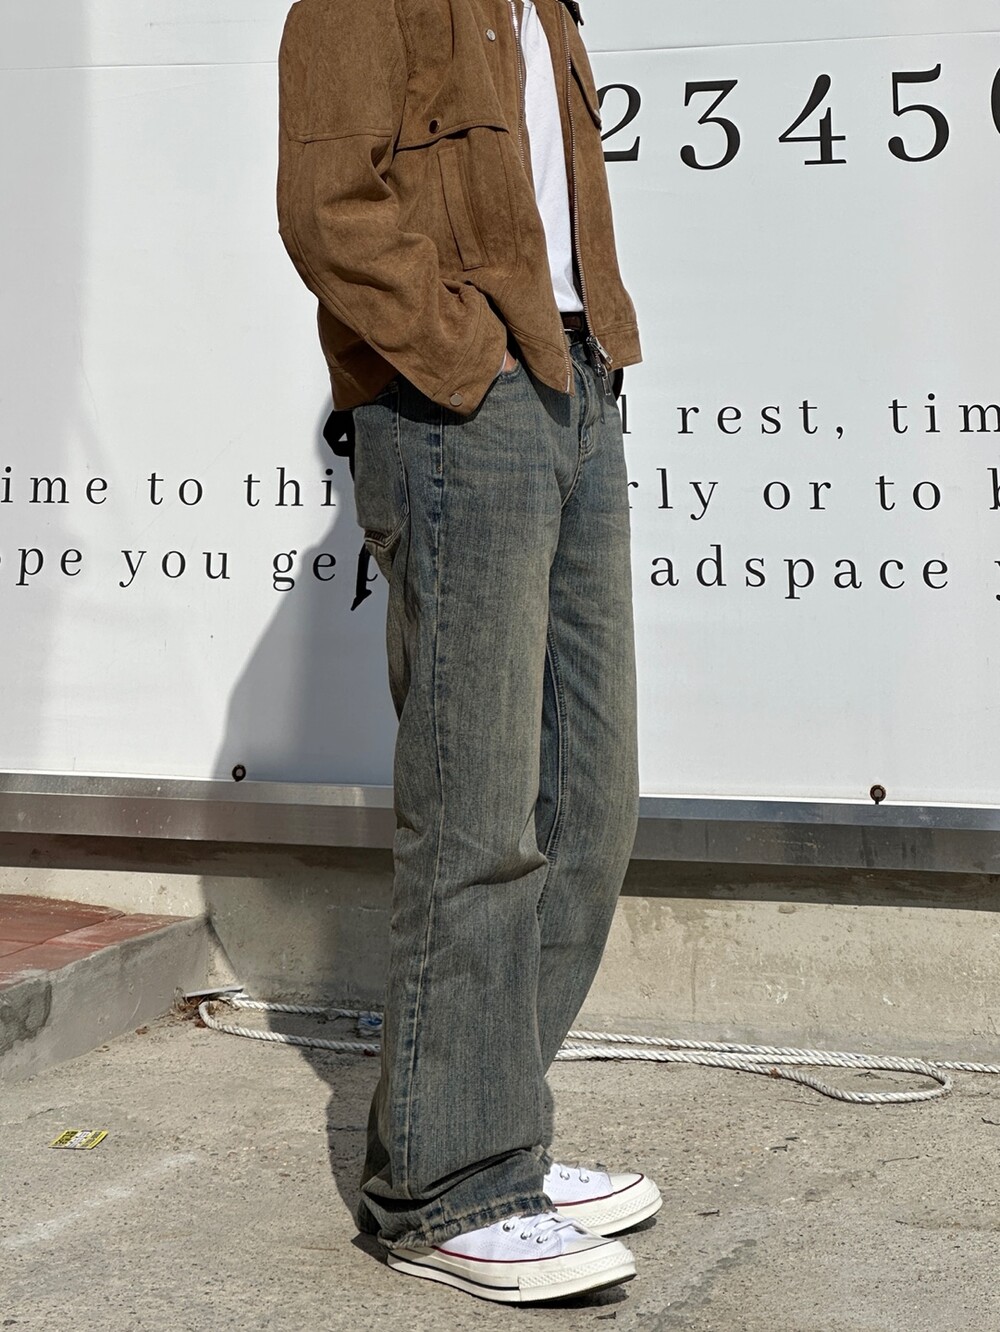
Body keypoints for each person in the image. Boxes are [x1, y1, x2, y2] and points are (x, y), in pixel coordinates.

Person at [277, 0, 660, 1304]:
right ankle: (443, 1188)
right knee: (476, 811)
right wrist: (466, 357)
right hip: (458, 414)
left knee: (586, 802)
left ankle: (502, 1135)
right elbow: (328, 206)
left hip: (576, 385)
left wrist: (573, 356)